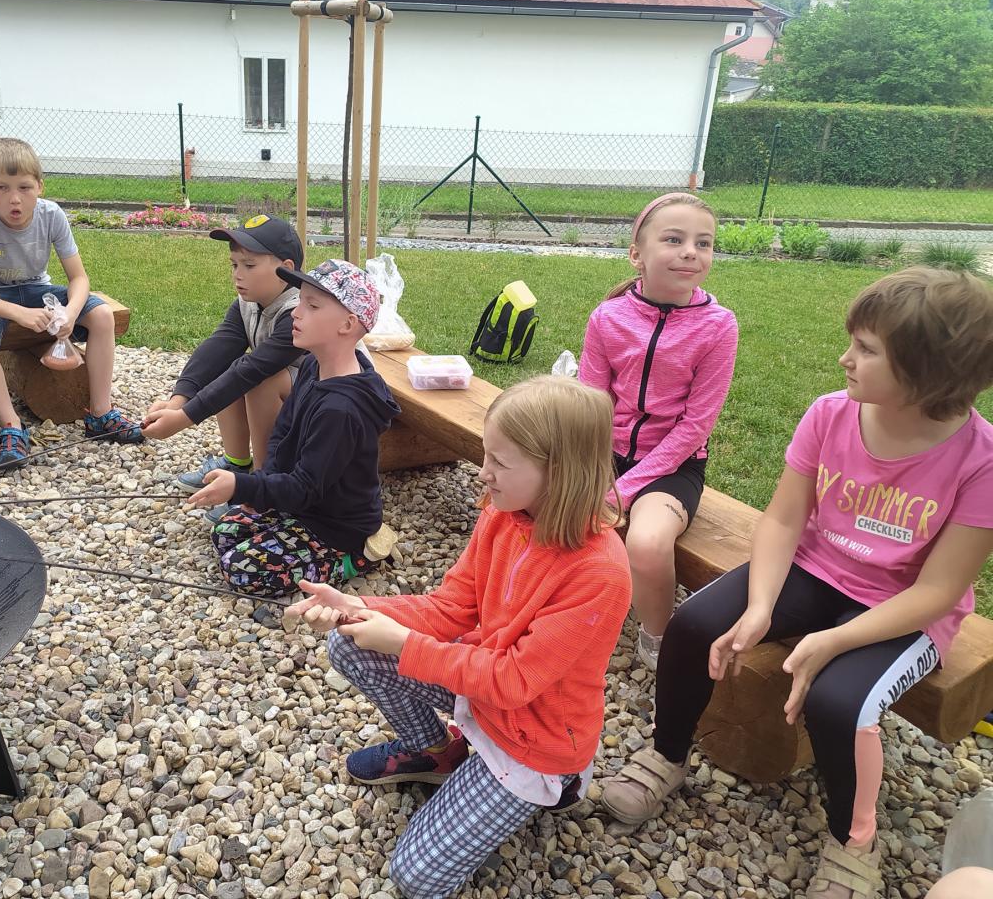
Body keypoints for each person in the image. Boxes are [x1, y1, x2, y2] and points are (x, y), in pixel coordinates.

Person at [599, 268, 993, 899]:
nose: (845, 358)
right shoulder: (830, 414)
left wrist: (835, 641)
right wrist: (760, 606)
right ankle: (667, 754)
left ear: (928, 374)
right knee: (694, 625)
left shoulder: (981, 460)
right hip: (815, 568)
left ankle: (854, 841)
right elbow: (784, 520)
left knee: (839, 703)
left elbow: (938, 592)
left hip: (903, 609)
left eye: (866, 349)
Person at [286, 375, 632, 899]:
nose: (483, 472)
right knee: (351, 640)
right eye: (485, 454)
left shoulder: (600, 574)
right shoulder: (503, 512)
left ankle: (559, 789)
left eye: (500, 462)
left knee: (415, 877)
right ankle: (437, 753)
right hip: (481, 694)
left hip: (531, 743)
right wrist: (359, 608)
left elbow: (515, 682)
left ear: (558, 471)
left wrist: (404, 643)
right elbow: (451, 608)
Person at [578, 191, 738, 669]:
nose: (691, 252)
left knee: (647, 543)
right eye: (674, 239)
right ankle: (566, 609)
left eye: (703, 243)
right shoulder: (608, 317)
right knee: (546, 508)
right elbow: (591, 402)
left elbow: (696, 426)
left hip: (674, 465)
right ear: (637, 254)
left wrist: (623, 489)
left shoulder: (718, 327)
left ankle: (658, 637)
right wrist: (589, 470)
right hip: (604, 453)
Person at [189, 258, 398, 596]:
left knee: (240, 569)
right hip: (303, 508)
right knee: (225, 532)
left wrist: (241, 486)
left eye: (312, 306)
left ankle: (353, 560)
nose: (296, 313)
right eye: (300, 301)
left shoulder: (341, 411)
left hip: (335, 527)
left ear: (347, 324)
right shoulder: (314, 365)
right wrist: (258, 487)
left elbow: (305, 487)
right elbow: (282, 433)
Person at [0, 138, 144, 467]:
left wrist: (70, 312)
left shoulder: (51, 214)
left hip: (36, 288)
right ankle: (12, 426)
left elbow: (79, 278)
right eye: (1, 187)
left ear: (40, 186)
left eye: (24, 187)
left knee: (101, 314)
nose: (14, 198)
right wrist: (20, 314)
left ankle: (100, 412)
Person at [144, 215, 305, 521]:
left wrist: (183, 419)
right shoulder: (249, 302)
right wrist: (178, 400)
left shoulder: (300, 310)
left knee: (259, 380)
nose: (237, 274)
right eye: (234, 264)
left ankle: (263, 487)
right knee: (229, 367)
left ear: (287, 268)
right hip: (291, 395)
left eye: (249, 265)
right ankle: (237, 464)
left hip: (325, 404)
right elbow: (218, 348)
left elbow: (253, 370)